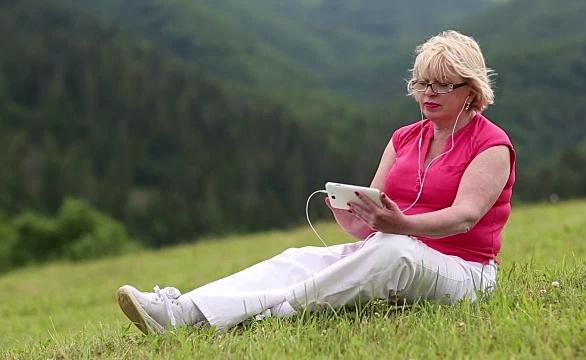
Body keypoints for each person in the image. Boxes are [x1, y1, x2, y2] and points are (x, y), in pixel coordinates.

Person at [117, 30, 516, 335]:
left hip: (466, 273)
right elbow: (374, 221)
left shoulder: (491, 144)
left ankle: (263, 313)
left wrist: (401, 227)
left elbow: (465, 217)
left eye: (443, 84)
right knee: (299, 257)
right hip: (392, 248)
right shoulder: (404, 138)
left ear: (471, 89)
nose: (429, 93)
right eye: (423, 83)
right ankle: (180, 311)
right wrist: (352, 214)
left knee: (393, 250)